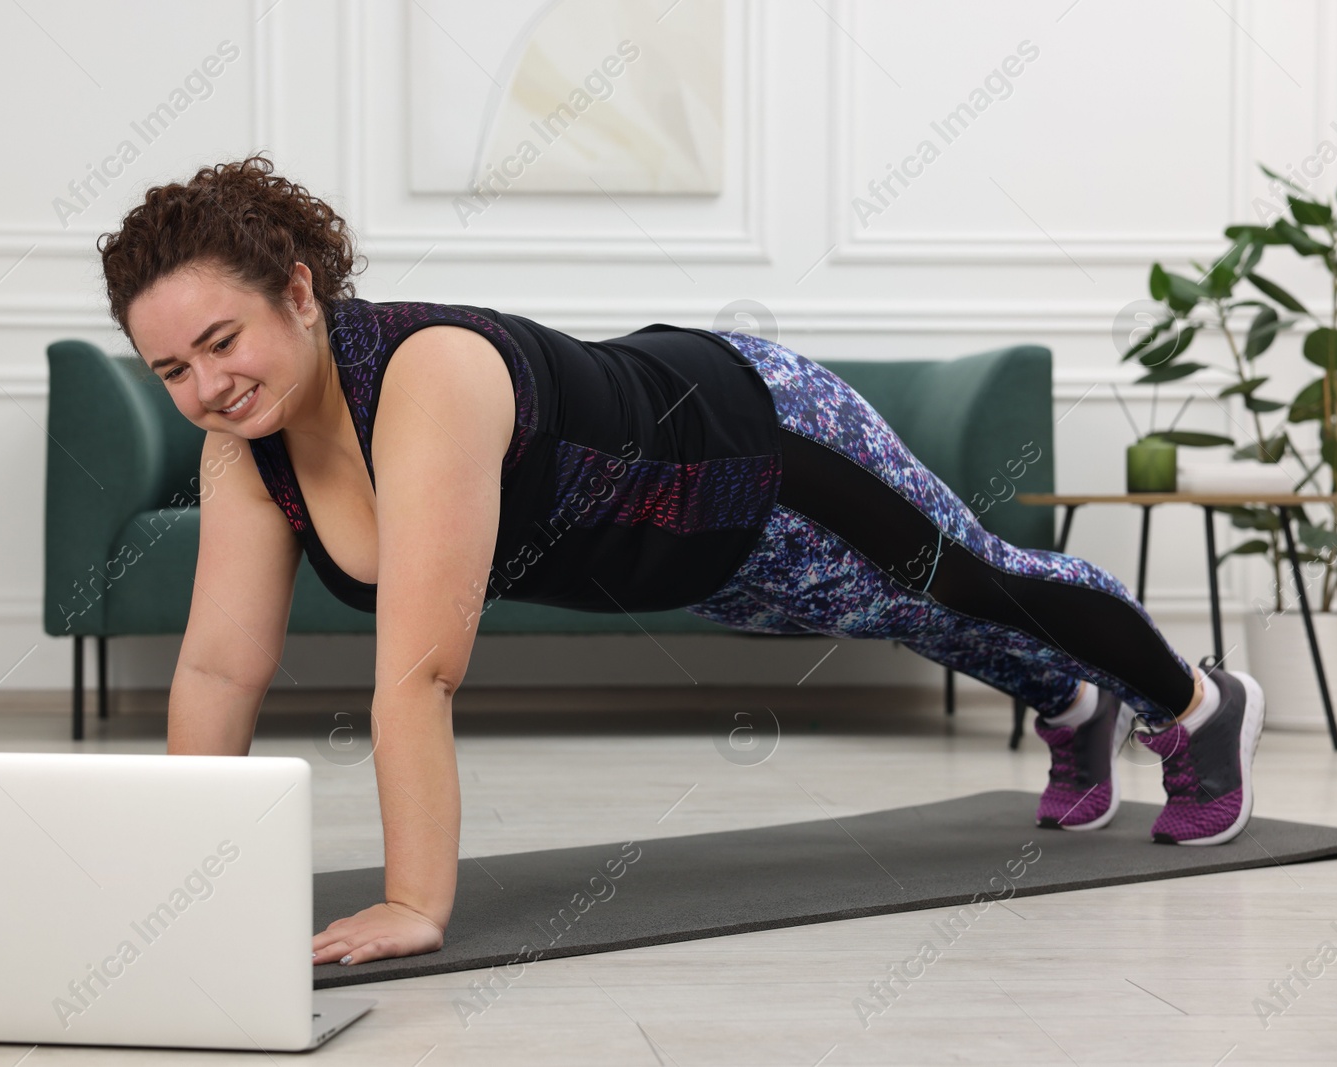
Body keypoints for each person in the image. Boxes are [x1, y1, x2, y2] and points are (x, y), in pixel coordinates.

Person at [96, 155, 1265, 969]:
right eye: (172, 371)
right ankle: (1066, 700)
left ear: (298, 292)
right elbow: (215, 669)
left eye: (220, 341)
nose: (206, 387)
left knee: (967, 578)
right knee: (889, 614)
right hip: (695, 565)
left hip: (757, 444)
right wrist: (177, 876)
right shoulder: (241, 450)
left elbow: (416, 675)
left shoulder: (425, 374)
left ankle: (1198, 703)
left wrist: (414, 900)